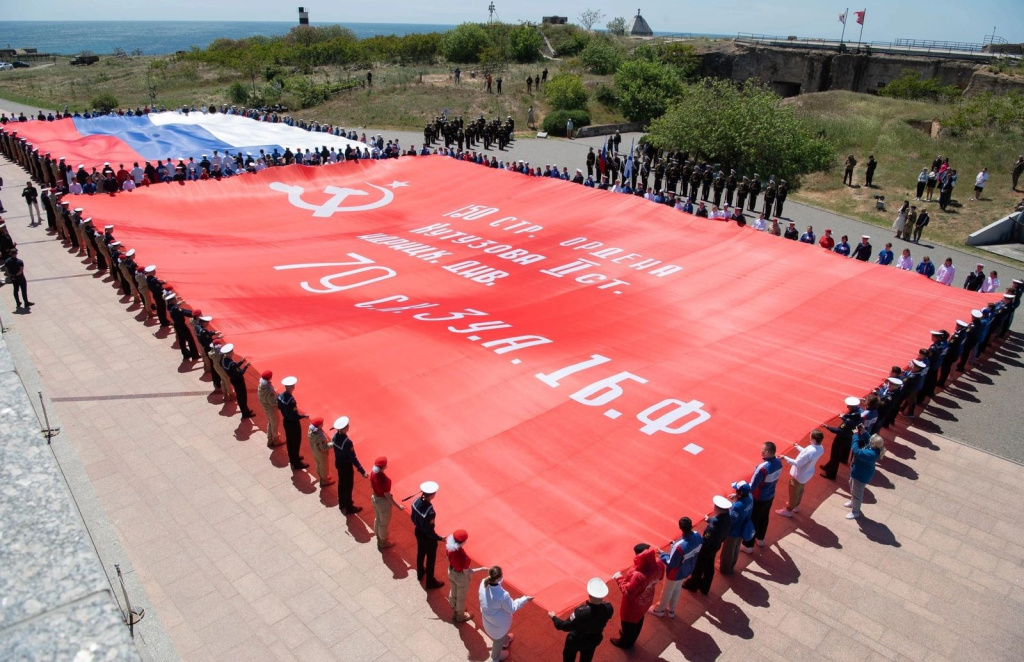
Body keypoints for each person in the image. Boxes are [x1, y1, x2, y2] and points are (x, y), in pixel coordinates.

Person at [610, 543, 664, 649]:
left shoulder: (638, 574)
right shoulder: (658, 564)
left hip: (633, 604)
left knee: (628, 621)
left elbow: (628, 592)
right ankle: (631, 636)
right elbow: (661, 577)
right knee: (639, 619)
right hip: (647, 598)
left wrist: (619, 578)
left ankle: (626, 642)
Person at [550, 578, 615, 662]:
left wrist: (554, 618)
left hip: (576, 640)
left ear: (589, 595)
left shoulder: (581, 612)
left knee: (568, 657)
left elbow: (565, 626)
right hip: (593, 640)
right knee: (586, 659)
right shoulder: (609, 607)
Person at [651, 517, 702, 617]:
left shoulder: (678, 546)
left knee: (667, 590)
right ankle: (671, 610)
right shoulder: (697, 536)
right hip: (687, 569)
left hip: (674, 573)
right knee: (677, 589)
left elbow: (671, 563)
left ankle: (659, 610)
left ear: (680, 527)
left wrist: (662, 555)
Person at [682, 495, 731, 596]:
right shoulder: (727, 517)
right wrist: (709, 519)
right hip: (716, 545)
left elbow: (706, 539)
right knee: (709, 566)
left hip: (707, 547)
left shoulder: (715, 525)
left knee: (699, 566)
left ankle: (693, 584)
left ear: (718, 509)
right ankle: (705, 586)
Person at [479, 566, 532, 661]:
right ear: (499, 577)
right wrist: (525, 599)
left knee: (500, 636)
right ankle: (496, 657)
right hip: (498, 625)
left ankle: (505, 640)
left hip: (488, 620)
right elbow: (511, 608)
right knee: (497, 641)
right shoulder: (502, 595)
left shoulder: (483, 583)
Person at [741, 442, 782, 552]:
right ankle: (760, 538)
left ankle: (748, 545)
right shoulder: (779, 462)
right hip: (770, 495)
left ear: (767, 452)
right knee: (764, 517)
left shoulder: (762, 468)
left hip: (758, 498)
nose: (761, 451)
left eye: (762, 449)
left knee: (753, 520)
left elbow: (752, 486)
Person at [776, 430, 825, 517]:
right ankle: (795, 506)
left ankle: (789, 510)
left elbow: (798, 463)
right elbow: (805, 454)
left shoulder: (810, 451)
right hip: (806, 474)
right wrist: (797, 447)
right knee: (800, 491)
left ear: (813, 439)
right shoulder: (820, 448)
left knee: (793, 493)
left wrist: (785, 457)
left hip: (799, 475)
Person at [412, 481, 445, 589]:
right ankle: (430, 582)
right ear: (431, 495)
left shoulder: (415, 501)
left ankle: (420, 572)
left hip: (418, 531)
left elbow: (412, 518)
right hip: (428, 538)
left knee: (420, 553)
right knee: (431, 559)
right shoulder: (430, 512)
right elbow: (429, 531)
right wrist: (440, 538)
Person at [331, 416, 367, 515]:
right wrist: (361, 470)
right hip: (346, 466)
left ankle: (342, 503)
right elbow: (352, 457)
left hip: (338, 463)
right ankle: (349, 506)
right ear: (342, 429)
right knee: (348, 486)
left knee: (341, 483)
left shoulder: (334, 437)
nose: (348, 426)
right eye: (347, 426)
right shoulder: (347, 442)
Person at [820, 397, 862, 480]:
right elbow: (849, 418)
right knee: (844, 450)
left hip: (841, 438)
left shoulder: (849, 420)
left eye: (848, 406)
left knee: (835, 456)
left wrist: (827, 427)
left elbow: (839, 430)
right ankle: (833, 464)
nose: (847, 407)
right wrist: (843, 417)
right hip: (850, 436)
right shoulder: (858, 413)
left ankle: (831, 474)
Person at [846, 434, 885, 519]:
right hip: (857, 471)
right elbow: (868, 438)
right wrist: (863, 431)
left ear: (873, 443)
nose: (869, 440)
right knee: (851, 485)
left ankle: (855, 511)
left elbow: (856, 450)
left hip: (861, 475)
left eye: (871, 440)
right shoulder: (874, 448)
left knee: (857, 493)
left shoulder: (871, 454)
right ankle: (853, 502)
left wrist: (855, 437)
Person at [446, 529, 481, 621]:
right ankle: (460, 615)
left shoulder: (449, 547)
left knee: (453, 592)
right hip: (461, 577)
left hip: (451, 571)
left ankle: (454, 610)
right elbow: (467, 572)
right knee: (461, 597)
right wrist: (482, 569)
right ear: (464, 541)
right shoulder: (464, 557)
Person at [720, 481, 753, 575]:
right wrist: (736, 498)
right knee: (736, 548)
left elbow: (731, 519)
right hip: (743, 529)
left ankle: (725, 569)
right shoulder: (750, 498)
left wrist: (732, 505)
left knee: (728, 550)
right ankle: (731, 565)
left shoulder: (737, 506)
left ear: (740, 493)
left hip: (734, 531)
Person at [370, 456, 403, 549]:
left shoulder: (373, 473)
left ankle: (379, 537)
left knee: (377, 519)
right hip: (382, 503)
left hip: (374, 498)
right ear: (384, 466)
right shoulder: (384, 480)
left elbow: (371, 485)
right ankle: (383, 542)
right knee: (383, 523)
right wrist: (398, 506)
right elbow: (388, 496)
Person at [276, 376, 308, 471]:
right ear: (291, 387)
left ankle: (293, 458)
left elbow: (279, 407)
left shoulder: (281, 396)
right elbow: (294, 415)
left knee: (290, 442)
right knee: (295, 442)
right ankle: (296, 463)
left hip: (286, 421)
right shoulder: (291, 400)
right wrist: (303, 416)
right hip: (293, 423)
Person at [219, 344, 255, 419]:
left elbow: (234, 368)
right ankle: (245, 413)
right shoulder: (231, 363)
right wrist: (246, 366)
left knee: (240, 396)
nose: (233, 352)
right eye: (232, 351)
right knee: (242, 397)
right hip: (238, 381)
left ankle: (246, 410)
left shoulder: (223, 360)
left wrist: (241, 362)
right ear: (229, 353)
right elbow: (239, 373)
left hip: (233, 379)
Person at [258, 370, 283, 447]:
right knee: (275, 423)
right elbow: (273, 402)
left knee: (270, 422)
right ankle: (276, 440)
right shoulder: (269, 389)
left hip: (265, 406)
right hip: (271, 408)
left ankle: (269, 439)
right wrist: (279, 399)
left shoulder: (261, 385)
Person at [306, 417, 334, 487]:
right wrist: (333, 444)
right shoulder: (320, 436)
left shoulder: (310, 431)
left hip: (315, 451)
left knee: (318, 463)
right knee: (324, 466)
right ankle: (324, 480)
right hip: (321, 454)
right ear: (319, 426)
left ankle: (321, 476)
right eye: (322, 424)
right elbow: (323, 447)